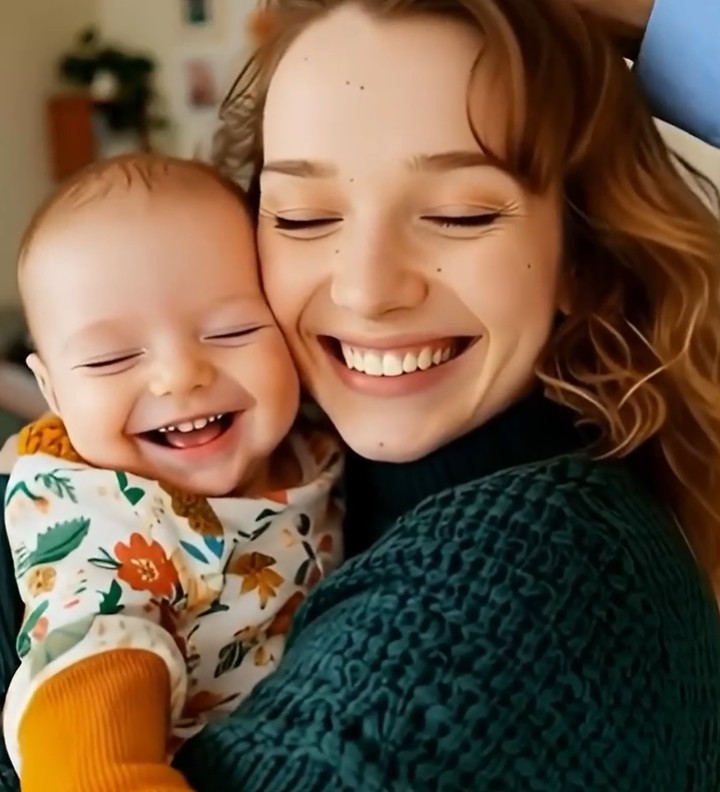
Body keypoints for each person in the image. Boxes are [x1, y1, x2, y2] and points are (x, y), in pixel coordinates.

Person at [0, 0, 717, 791]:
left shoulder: (542, 571)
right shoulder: (294, 463)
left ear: (581, 253)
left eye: (459, 214)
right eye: (304, 219)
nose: (367, 289)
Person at [1, 153, 342, 792]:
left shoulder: (315, 434)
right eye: (110, 359)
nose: (179, 375)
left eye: (233, 330)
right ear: (52, 391)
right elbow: (89, 661)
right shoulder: (96, 508)